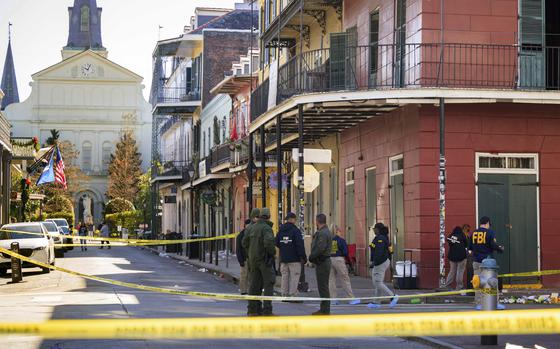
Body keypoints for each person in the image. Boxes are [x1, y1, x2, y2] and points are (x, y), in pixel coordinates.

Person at [242, 208, 276, 316]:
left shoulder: (251, 227)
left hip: (253, 260)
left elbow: (244, 242)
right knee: (268, 284)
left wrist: (250, 252)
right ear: (268, 216)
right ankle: (267, 309)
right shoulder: (266, 228)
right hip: (264, 260)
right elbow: (269, 243)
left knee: (254, 285)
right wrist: (272, 252)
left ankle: (252, 309)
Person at [470, 216, 504, 307]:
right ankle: (494, 304)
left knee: (477, 283)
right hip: (487, 263)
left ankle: (479, 303)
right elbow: (493, 245)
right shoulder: (490, 232)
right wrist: (500, 249)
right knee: (491, 282)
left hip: (476, 261)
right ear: (488, 223)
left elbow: (470, 248)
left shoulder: (473, 233)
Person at [275, 212, 306, 299]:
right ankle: (292, 295)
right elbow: (300, 245)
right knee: (294, 277)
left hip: (283, 258)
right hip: (294, 259)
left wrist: (284, 247)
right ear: (292, 219)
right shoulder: (296, 230)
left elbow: (276, 242)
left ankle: (284, 294)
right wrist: (303, 257)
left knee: (284, 277)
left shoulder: (281, 230)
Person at [328, 224, 359, 305]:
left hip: (329, 259)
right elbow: (345, 252)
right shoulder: (341, 240)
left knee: (331, 280)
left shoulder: (328, 240)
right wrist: (349, 263)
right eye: (340, 230)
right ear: (337, 231)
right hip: (339, 259)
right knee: (344, 279)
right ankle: (351, 298)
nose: (341, 232)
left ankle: (333, 299)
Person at [369, 223, 397, 308]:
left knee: (377, 282)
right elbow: (390, 251)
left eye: (375, 229)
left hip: (380, 262)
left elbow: (379, 252)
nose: (374, 230)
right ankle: (376, 301)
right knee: (377, 281)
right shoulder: (383, 237)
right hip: (383, 261)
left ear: (378, 229)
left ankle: (392, 296)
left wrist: (374, 262)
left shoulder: (380, 239)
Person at [309, 213, 332, 315]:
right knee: (323, 286)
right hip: (322, 261)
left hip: (323, 261)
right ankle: (323, 308)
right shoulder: (323, 232)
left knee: (323, 287)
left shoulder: (323, 233)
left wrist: (312, 256)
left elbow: (320, 248)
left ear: (317, 221)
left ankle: (325, 310)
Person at [236, 218, 253, 295]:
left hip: (251, 258)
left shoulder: (252, 233)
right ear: (245, 226)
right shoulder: (241, 235)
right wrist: (240, 260)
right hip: (244, 258)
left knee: (251, 276)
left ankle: (250, 290)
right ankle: (243, 290)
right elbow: (238, 249)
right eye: (248, 225)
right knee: (244, 275)